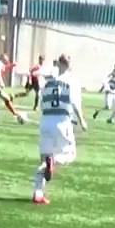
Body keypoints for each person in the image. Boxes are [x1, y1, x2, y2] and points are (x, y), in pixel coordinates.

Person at [31, 54, 88, 205]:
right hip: (62, 122)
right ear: (70, 66)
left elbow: (43, 105)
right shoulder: (72, 83)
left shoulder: (48, 84)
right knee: (70, 154)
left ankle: (37, 193)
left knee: (43, 160)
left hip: (46, 121)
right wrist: (82, 120)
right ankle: (54, 160)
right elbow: (75, 104)